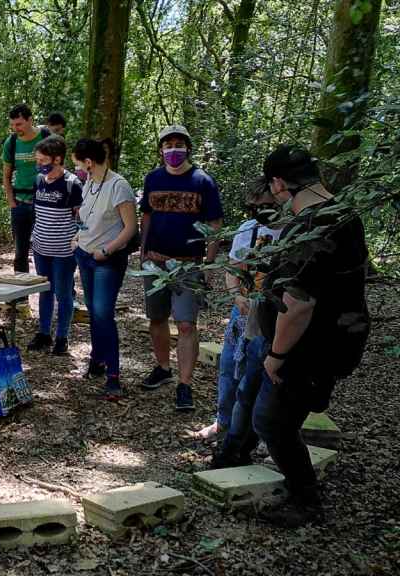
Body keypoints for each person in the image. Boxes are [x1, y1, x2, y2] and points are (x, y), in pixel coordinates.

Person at [252, 145, 368, 527]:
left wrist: (277, 355)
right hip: (335, 339)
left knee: (271, 421)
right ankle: (302, 489)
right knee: (281, 415)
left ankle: (306, 502)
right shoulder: (344, 214)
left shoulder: (311, 226)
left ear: (280, 183)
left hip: (309, 347)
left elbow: (298, 304)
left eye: (274, 189)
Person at [139, 125, 224, 411]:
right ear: (161, 149)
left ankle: (184, 385)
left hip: (188, 265)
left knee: (186, 324)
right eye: (168, 144)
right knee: (157, 318)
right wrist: (143, 251)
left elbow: (214, 225)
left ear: (187, 147)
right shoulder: (153, 178)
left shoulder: (202, 181)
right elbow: (146, 216)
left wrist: (208, 264)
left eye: (178, 144)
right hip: (156, 260)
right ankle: (163, 367)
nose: (173, 150)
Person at [193, 180, 281, 449]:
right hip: (242, 312)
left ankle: (262, 435)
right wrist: (237, 295)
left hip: (275, 315)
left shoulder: (294, 232)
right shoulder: (248, 229)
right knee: (230, 367)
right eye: (254, 207)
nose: (260, 212)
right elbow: (233, 268)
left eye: (267, 206)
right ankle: (223, 422)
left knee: (260, 375)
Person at [71, 139, 138, 400]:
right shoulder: (89, 183)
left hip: (107, 260)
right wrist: (78, 238)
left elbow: (130, 228)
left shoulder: (118, 186)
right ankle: (97, 360)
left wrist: (107, 250)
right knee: (93, 311)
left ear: (89, 162)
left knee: (103, 314)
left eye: (78, 163)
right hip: (84, 256)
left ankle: (114, 375)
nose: (76, 168)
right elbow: (87, 217)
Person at [26, 136, 82, 356]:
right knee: (45, 291)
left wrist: (76, 241)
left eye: (43, 160)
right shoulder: (38, 180)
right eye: (37, 161)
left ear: (58, 159)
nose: (40, 165)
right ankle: (43, 334)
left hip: (64, 251)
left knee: (63, 292)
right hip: (41, 247)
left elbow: (81, 218)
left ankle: (62, 337)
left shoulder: (72, 184)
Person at [2, 103, 50, 274]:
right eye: (13, 125)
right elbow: (6, 175)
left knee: (48, 249)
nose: (16, 128)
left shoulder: (45, 137)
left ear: (30, 120)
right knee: (20, 253)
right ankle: (21, 297)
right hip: (20, 203)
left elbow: (58, 169)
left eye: (19, 124)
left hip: (45, 202)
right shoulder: (12, 142)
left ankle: (54, 292)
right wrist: (11, 203)